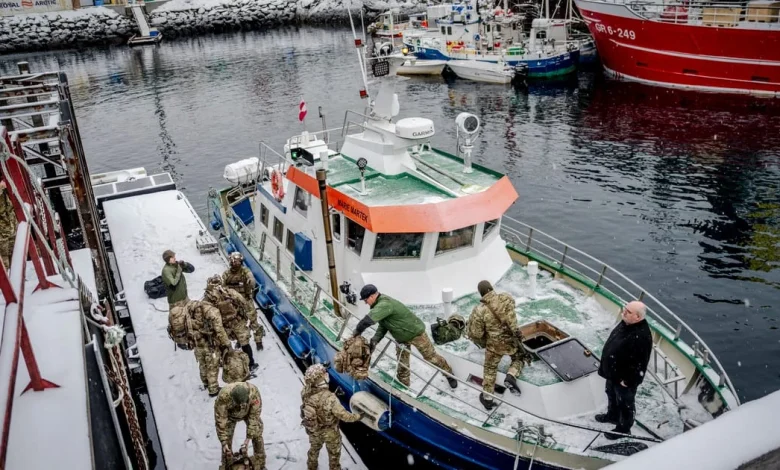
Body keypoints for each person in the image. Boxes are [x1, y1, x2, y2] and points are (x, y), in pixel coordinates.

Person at [353, 284, 457, 389]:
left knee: (431, 358)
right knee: (403, 365)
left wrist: (356, 333)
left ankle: (449, 374)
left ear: (372, 296)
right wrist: (375, 340)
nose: (365, 303)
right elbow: (383, 325)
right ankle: (404, 387)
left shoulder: (384, 304)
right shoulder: (379, 306)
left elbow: (366, 321)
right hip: (401, 338)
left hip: (416, 334)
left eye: (366, 300)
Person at [596, 300, 653, 439]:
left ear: (637, 317)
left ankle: (623, 429)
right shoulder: (626, 323)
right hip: (613, 373)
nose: (624, 312)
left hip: (624, 379)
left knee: (625, 403)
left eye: (628, 312)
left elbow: (640, 363)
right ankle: (612, 416)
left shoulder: (641, 336)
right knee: (611, 394)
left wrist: (628, 381)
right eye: (624, 309)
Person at [468, 280, 525, 410]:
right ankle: (511, 375)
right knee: (519, 357)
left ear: (481, 293)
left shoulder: (480, 310)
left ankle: (488, 399)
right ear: (491, 288)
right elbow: (511, 310)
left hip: (494, 346)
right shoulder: (506, 297)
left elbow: (477, 334)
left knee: (490, 368)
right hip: (512, 340)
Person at [300, 364, 361, 470]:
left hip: (314, 429)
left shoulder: (305, 391)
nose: (327, 375)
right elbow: (345, 416)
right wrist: (359, 416)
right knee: (334, 454)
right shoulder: (331, 399)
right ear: (321, 380)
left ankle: (311, 466)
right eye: (325, 374)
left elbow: (316, 402)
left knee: (314, 449)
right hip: (330, 432)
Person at [205, 276, 260, 372]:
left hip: (223, 326)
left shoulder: (208, 298)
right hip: (237, 321)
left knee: (223, 344)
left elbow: (206, 314)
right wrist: (251, 318)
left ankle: (226, 364)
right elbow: (243, 302)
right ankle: (251, 364)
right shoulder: (230, 292)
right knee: (245, 343)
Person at [215, 382, 266, 470]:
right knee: (226, 442)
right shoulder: (223, 397)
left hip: (248, 413)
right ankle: (227, 464)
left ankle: (260, 462)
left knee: (257, 432)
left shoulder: (254, 393)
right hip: (230, 416)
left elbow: (254, 417)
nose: (241, 406)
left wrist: (248, 437)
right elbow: (221, 421)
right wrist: (224, 442)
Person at [223, 252, 264, 350]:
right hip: (234, 303)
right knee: (237, 323)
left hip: (246, 301)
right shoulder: (226, 274)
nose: (236, 263)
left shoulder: (245, 271)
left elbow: (251, 279)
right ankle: (240, 340)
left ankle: (258, 341)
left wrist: (251, 282)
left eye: (238, 261)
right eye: (234, 261)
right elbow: (223, 286)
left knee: (253, 321)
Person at [189, 300, 232, 396]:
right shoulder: (213, 312)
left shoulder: (193, 309)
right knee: (212, 366)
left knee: (202, 363)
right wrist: (227, 344)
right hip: (209, 344)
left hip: (197, 343)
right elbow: (220, 331)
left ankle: (205, 383)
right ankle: (213, 389)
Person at [0, 179, 18, 268]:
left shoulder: (6, 192)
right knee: (4, 260)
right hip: (2, 233)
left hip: (11, 228)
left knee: (14, 257)